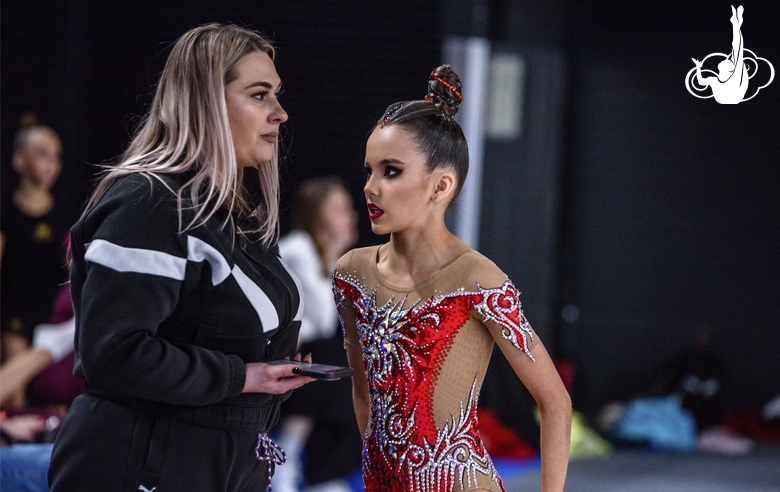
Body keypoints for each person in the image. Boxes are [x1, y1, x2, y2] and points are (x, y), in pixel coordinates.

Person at [48, 23, 316, 492]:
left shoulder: (234, 215)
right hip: (138, 463)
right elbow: (115, 352)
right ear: (206, 102)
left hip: (221, 463)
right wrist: (241, 375)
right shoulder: (147, 204)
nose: (280, 113)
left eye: (276, 95)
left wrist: (270, 363)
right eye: (259, 95)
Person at [332, 65, 572, 492]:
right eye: (368, 170)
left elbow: (555, 402)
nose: (370, 187)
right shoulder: (352, 274)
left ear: (440, 186)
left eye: (390, 171)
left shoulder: (480, 280)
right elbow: (363, 393)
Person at [275, 178, 361, 492]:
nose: (351, 216)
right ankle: (287, 459)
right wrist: (336, 255)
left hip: (302, 359)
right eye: (338, 209)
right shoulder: (297, 248)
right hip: (278, 358)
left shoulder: (326, 261)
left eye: (349, 208)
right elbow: (324, 319)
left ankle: (321, 471)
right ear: (317, 216)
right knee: (330, 351)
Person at [1, 114, 73, 374]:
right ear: (19, 159)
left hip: (51, 316)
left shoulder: (64, 213)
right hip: (14, 317)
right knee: (13, 393)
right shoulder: (6, 210)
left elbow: (71, 268)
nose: (52, 163)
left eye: (57, 156)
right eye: (43, 154)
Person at [692, 5, 748, 104]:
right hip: (730, 97)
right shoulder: (716, 79)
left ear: (729, 69)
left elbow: (737, 49)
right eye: (728, 60)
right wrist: (698, 67)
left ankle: (736, 24)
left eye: (726, 61)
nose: (724, 59)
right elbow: (701, 82)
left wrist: (698, 67)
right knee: (737, 52)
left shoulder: (729, 78)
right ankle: (736, 24)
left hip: (732, 96)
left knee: (737, 51)